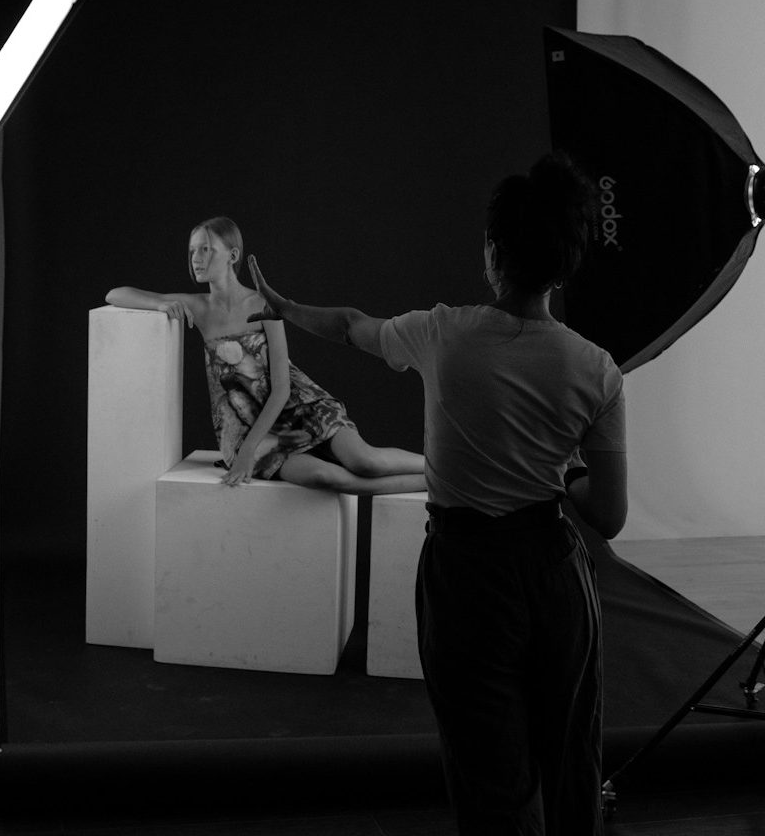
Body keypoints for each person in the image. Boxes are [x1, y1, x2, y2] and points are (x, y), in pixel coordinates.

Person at [247, 154, 627, 836]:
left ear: (494, 253)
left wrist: (284, 307)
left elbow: (350, 324)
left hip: (467, 573)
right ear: (566, 263)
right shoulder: (597, 370)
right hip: (555, 572)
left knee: (490, 776)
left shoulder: (442, 333)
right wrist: (564, 468)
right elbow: (609, 514)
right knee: (572, 759)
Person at [105, 216, 425, 494]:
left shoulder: (261, 304)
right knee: (325, 477)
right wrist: (160, 303)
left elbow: (282, 387)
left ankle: (441, 468)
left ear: (232, 255)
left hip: (301, 406)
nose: (196, 259)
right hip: (247, 427)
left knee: (365, 462)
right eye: (192, 251)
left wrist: (249, 452)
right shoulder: (199, 307)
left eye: (206, 249)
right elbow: (115, 293)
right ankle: (436, 484)